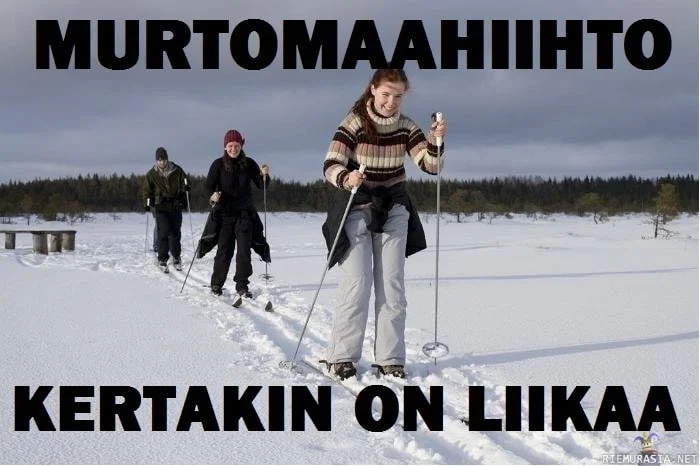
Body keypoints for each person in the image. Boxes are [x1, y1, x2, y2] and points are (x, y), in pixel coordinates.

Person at [321, 69, 447, 380]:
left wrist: (436, 141)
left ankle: (390, 360)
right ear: (373, 90)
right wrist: (346, 176)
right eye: (386, 94)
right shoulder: (354, 123)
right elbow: (330, 164)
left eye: (398, 96)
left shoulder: (406, 127)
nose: (391, 102)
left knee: (392, 285)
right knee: (357, 282)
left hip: (394, 208)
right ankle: (341, 357)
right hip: (357, 206)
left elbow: (430, 166)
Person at [204, 129, 271, 298]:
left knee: (243, 251)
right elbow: (208, 186)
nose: (233, 149)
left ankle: (242, 286)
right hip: (225, 214)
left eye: (236, 145)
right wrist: (212, 195)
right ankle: (216, 284)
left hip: (244, 214)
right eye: (230, 146)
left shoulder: (249, 163)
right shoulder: (218, 164)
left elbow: (261, 185)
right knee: (224, 250)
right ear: (225, 147)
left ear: (241, 145)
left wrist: (265, 175)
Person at [142, 147, 191, 271]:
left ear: (167, 159)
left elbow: (185, 182)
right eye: (159, 160)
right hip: (160, 206)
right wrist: (147, 202)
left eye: (163, 160)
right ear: (156, 161)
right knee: (163, 231)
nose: (162, 162)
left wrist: (186, 190)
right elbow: (147, 190)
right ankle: (162, 259)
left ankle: (176, 257)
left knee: (175, 233)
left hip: (175, 205)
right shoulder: (151, 174)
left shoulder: (177, 170)